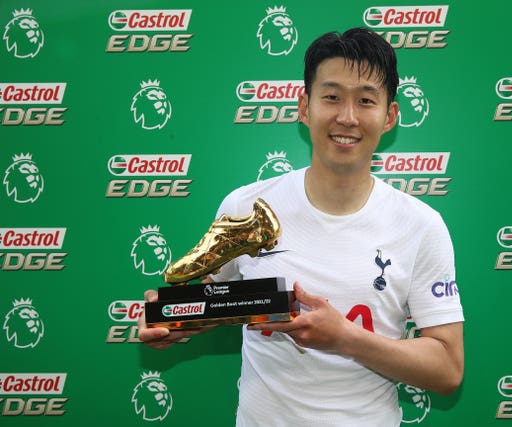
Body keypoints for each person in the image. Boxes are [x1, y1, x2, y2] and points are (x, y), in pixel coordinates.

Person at [138, 27, 464, 426]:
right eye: (331, 97)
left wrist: (345, 338)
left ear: (390, 115)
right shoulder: (247, 208)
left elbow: (448, 369)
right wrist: (173, 323)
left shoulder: (420, 225)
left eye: (365, 100)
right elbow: (208, 302)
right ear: (304, 107)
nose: (347, 117)